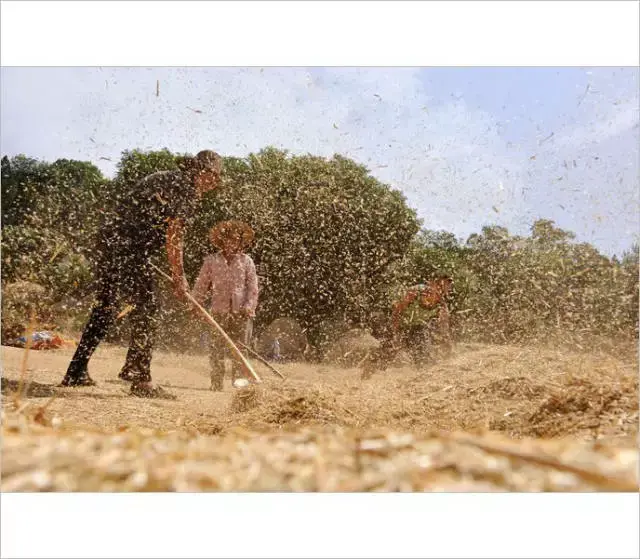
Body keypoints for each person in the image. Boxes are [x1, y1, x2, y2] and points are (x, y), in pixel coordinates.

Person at [59, 150, 223, 399]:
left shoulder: (168, 180)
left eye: (215, 177)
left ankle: (76, 371)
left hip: (109, 243)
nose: (212, 181)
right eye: (210, 175)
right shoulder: (186, 189)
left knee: (106, 307)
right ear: (199, 171)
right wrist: (180, 279)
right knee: (149, 307)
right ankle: (139, 377)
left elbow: (142, 218)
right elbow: (174, 236)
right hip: (127, 247)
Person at [191, 220, 259, 391]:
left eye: (236, 240)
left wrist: (249, 307)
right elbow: (201, 285)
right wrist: (195, 303)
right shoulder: (211, 261)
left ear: (240, 242)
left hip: (241, 313)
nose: (232, 242)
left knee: (240, 350)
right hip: (218, 312)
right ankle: (216, 382)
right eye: (228, 239)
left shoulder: (247, 262)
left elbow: (253, 288)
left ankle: (239, 384)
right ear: (222, 241)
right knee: (216, 349)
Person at [361, 274, 453, 380]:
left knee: (422, 349)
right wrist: (395, 333)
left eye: (446, 287)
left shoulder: (442, 305)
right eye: (440, 285)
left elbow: (444, 327)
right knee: (387, 353)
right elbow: (396, 311)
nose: (442, 290)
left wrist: (447, 342)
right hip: (396, 323)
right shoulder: (415, 292)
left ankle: (423, 378)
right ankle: (367, 373)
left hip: (417, 328)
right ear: (431, 283)